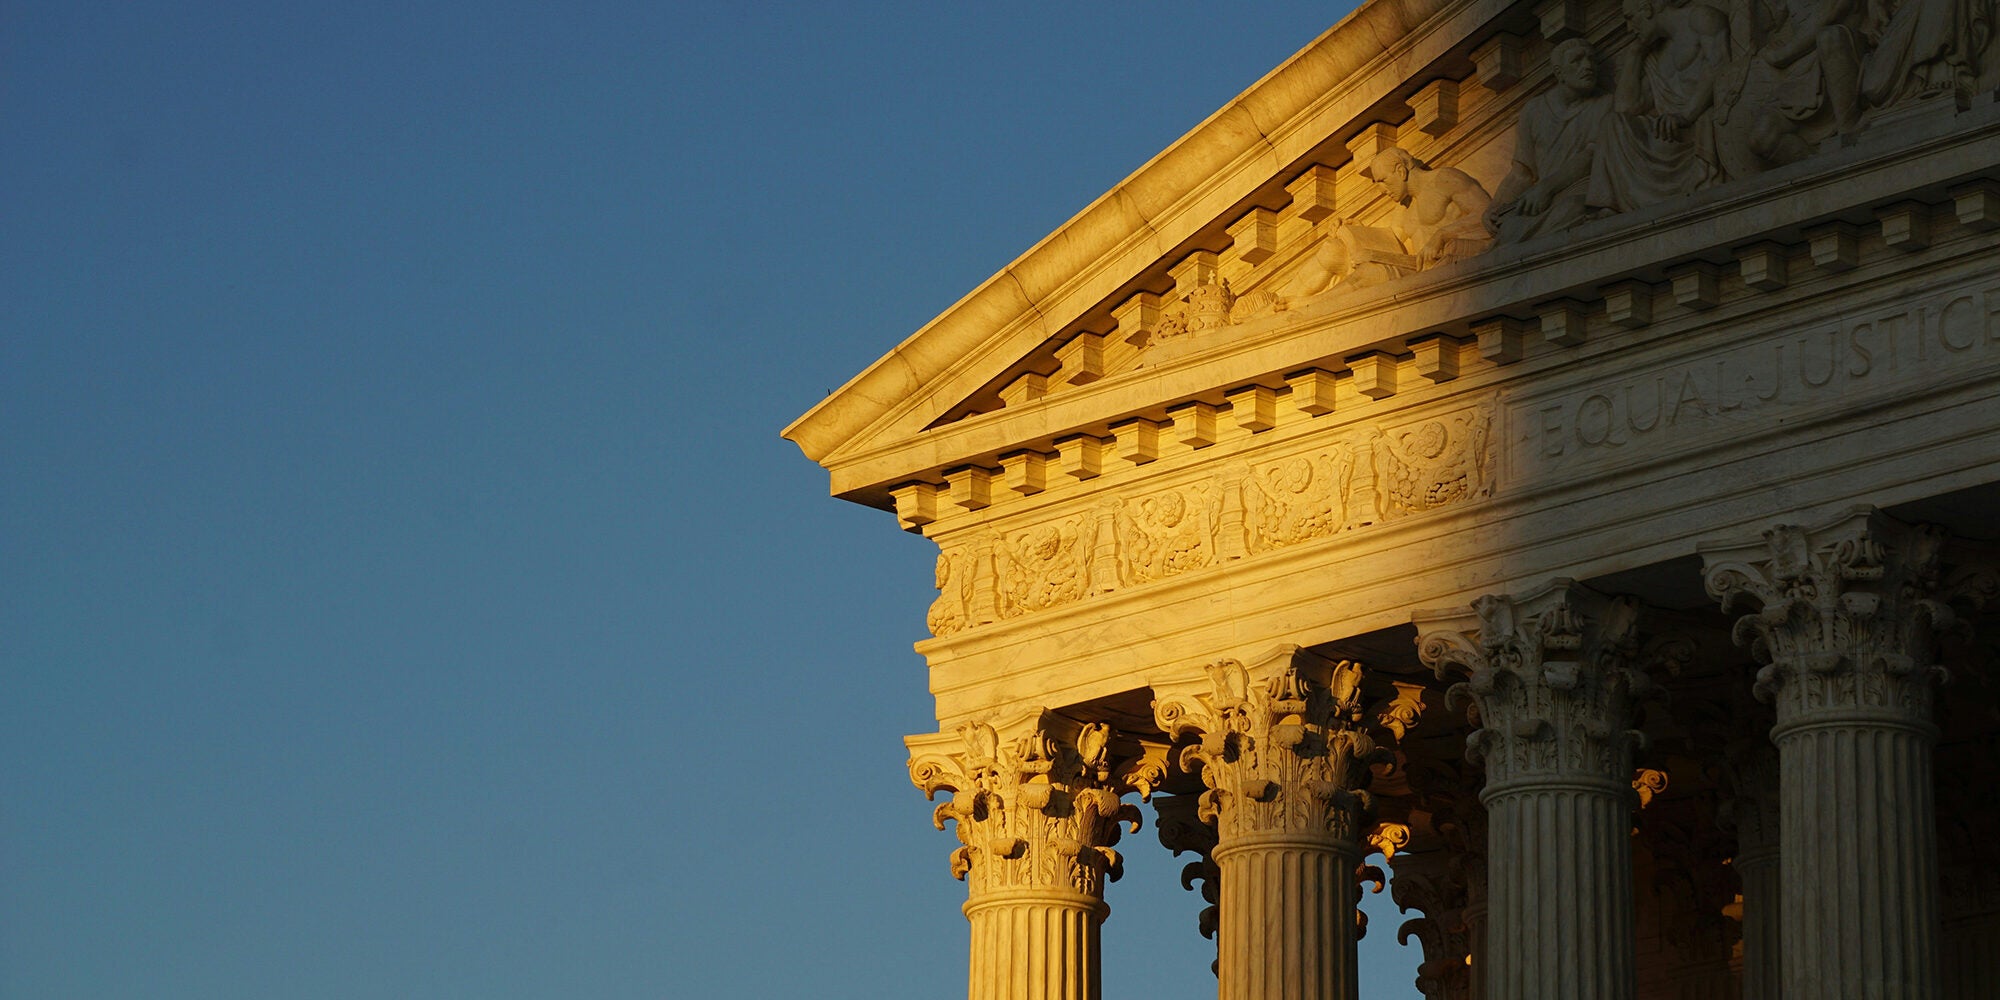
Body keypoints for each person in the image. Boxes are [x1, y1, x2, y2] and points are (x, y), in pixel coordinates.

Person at [1590, 0, 1732, 211]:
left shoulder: (1700, 18)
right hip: (1670, 133)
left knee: (1705, 120)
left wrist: (1686, 115)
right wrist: (1634, 54)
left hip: (1701, 120)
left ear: (1646, 9)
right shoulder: (1656, 55)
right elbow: (1625, 109)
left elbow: (1720, 66)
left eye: (1630, 18)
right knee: (1612, 123)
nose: (1629, 29)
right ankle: (1616, 207)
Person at [1487, 38, 1615, 243]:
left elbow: (1592, 155)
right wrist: (1495, 207)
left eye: (1591, 60)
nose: (1588, 66)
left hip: (1582, 189)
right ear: (1559, 72)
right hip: (1544, 200)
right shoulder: (1534, 110)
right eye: (1577, 61)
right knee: (1509, 228)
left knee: (1573, 209)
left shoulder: (1605, 103)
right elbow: (1522, 173)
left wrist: (1546, 188)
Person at [1364, 148, 1495, 267]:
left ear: (1401, 171)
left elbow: (1487, 212)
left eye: (1383, 180)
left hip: (1458, 264)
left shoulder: (1444, 179)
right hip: (1426, 274)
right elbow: (1392, 243)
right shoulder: (1403, 207)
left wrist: (1442, 235)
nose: (1381, 190)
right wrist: (1360, 233)